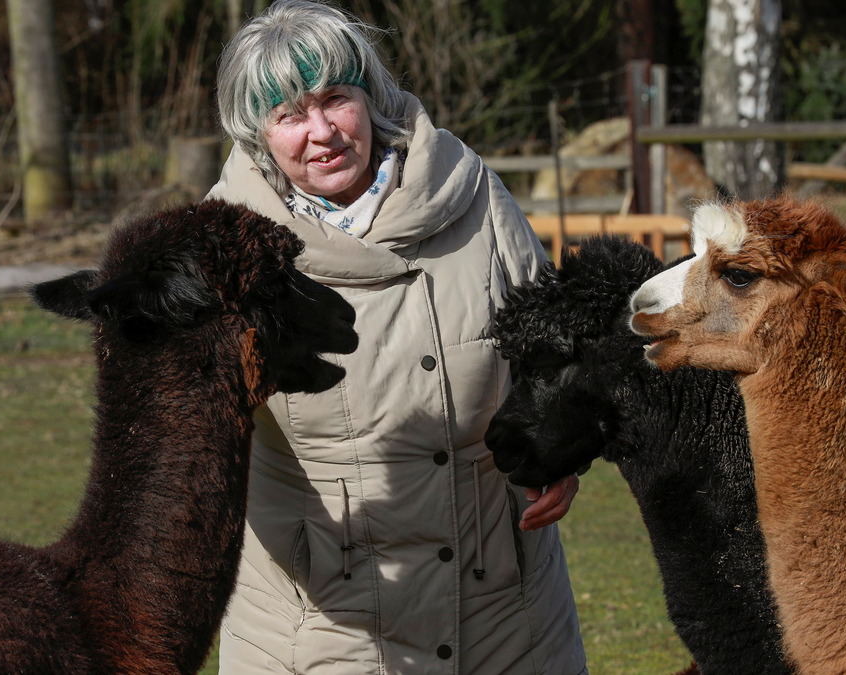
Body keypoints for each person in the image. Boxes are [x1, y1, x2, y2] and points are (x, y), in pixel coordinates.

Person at [206, 1, 587, 673]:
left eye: (335, 100)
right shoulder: (223, 251)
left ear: (369, 97)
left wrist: (559, 448)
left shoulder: (473, 197)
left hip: (503, 608)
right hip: (323, 619)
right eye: (290, 115)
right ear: (256, 132)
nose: (321, 131)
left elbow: (554, 344)